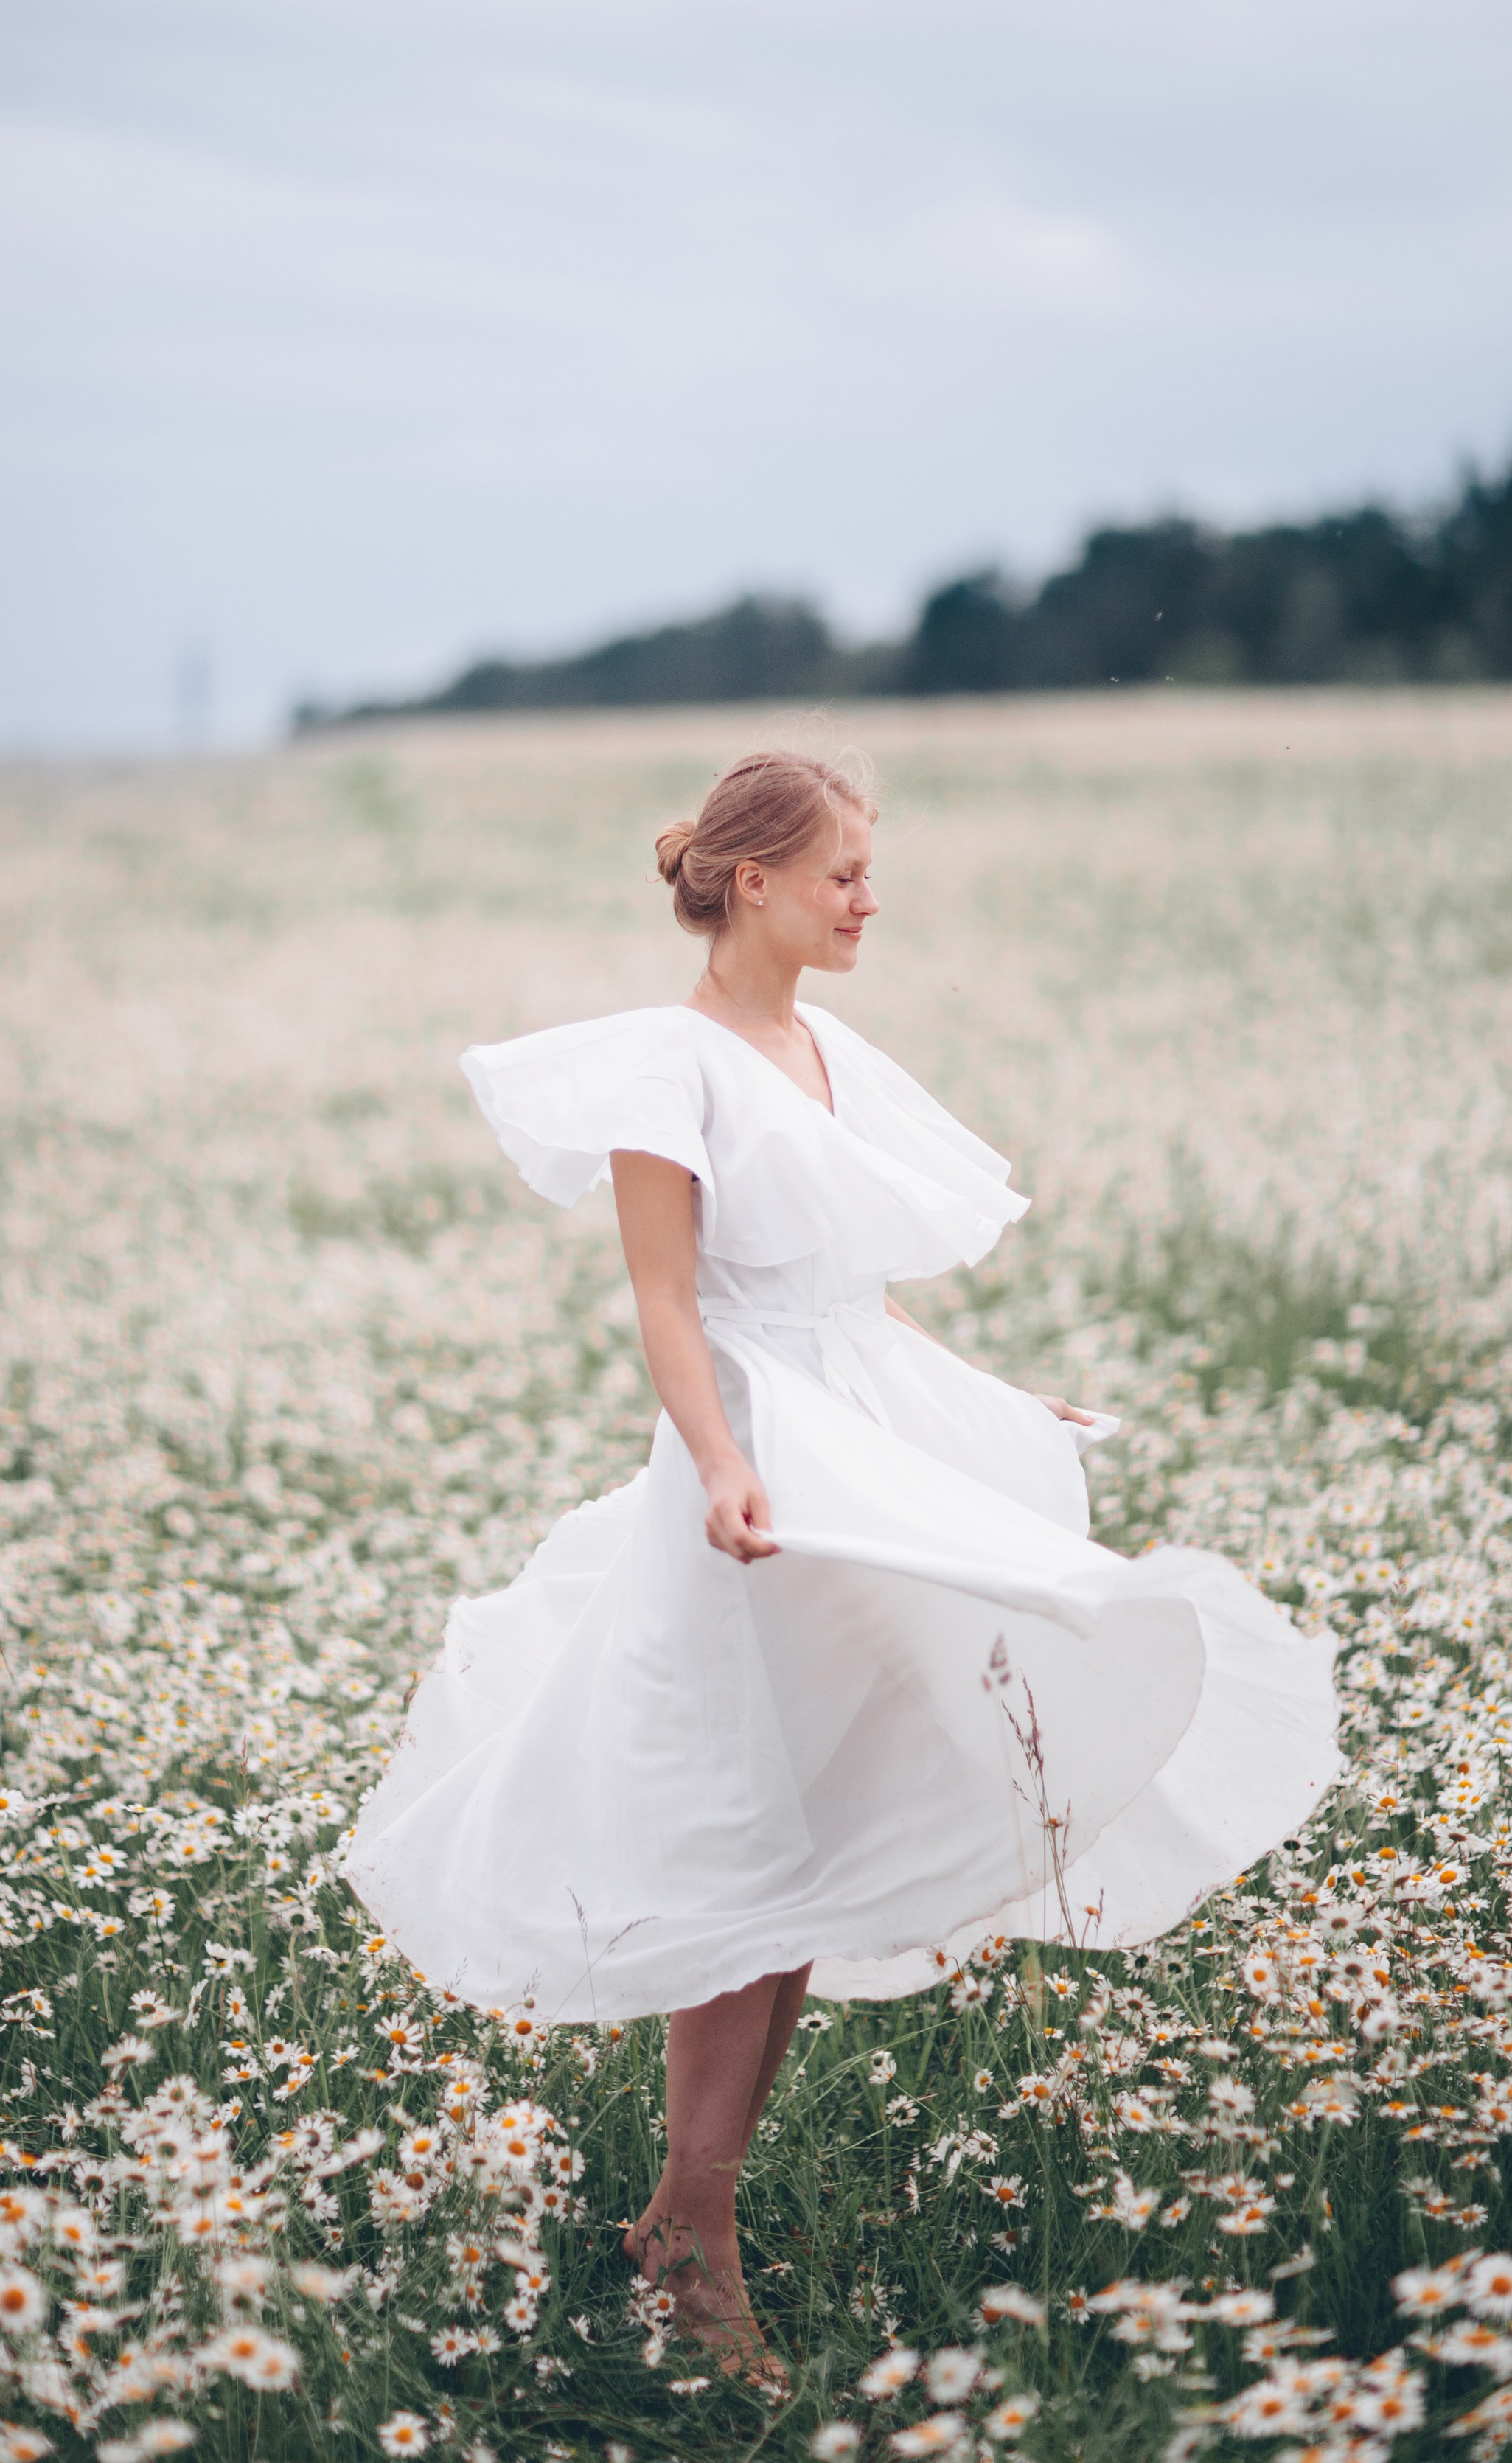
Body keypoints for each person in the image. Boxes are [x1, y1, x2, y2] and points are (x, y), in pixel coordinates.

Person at [345, 747, 1339, 2376]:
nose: (870, 897)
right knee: (739, 1838)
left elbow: (851, 1291)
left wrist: (990, 1395)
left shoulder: (824, 1048)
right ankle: (691, 2243)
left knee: (805, 1838)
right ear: (750, 883)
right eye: (844, 875)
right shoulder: (660, 1069)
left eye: (869, 870)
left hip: (858, 1440)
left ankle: (690, 2219)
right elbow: (670, 1304)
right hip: (755, 1468)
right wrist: (726, 1468)